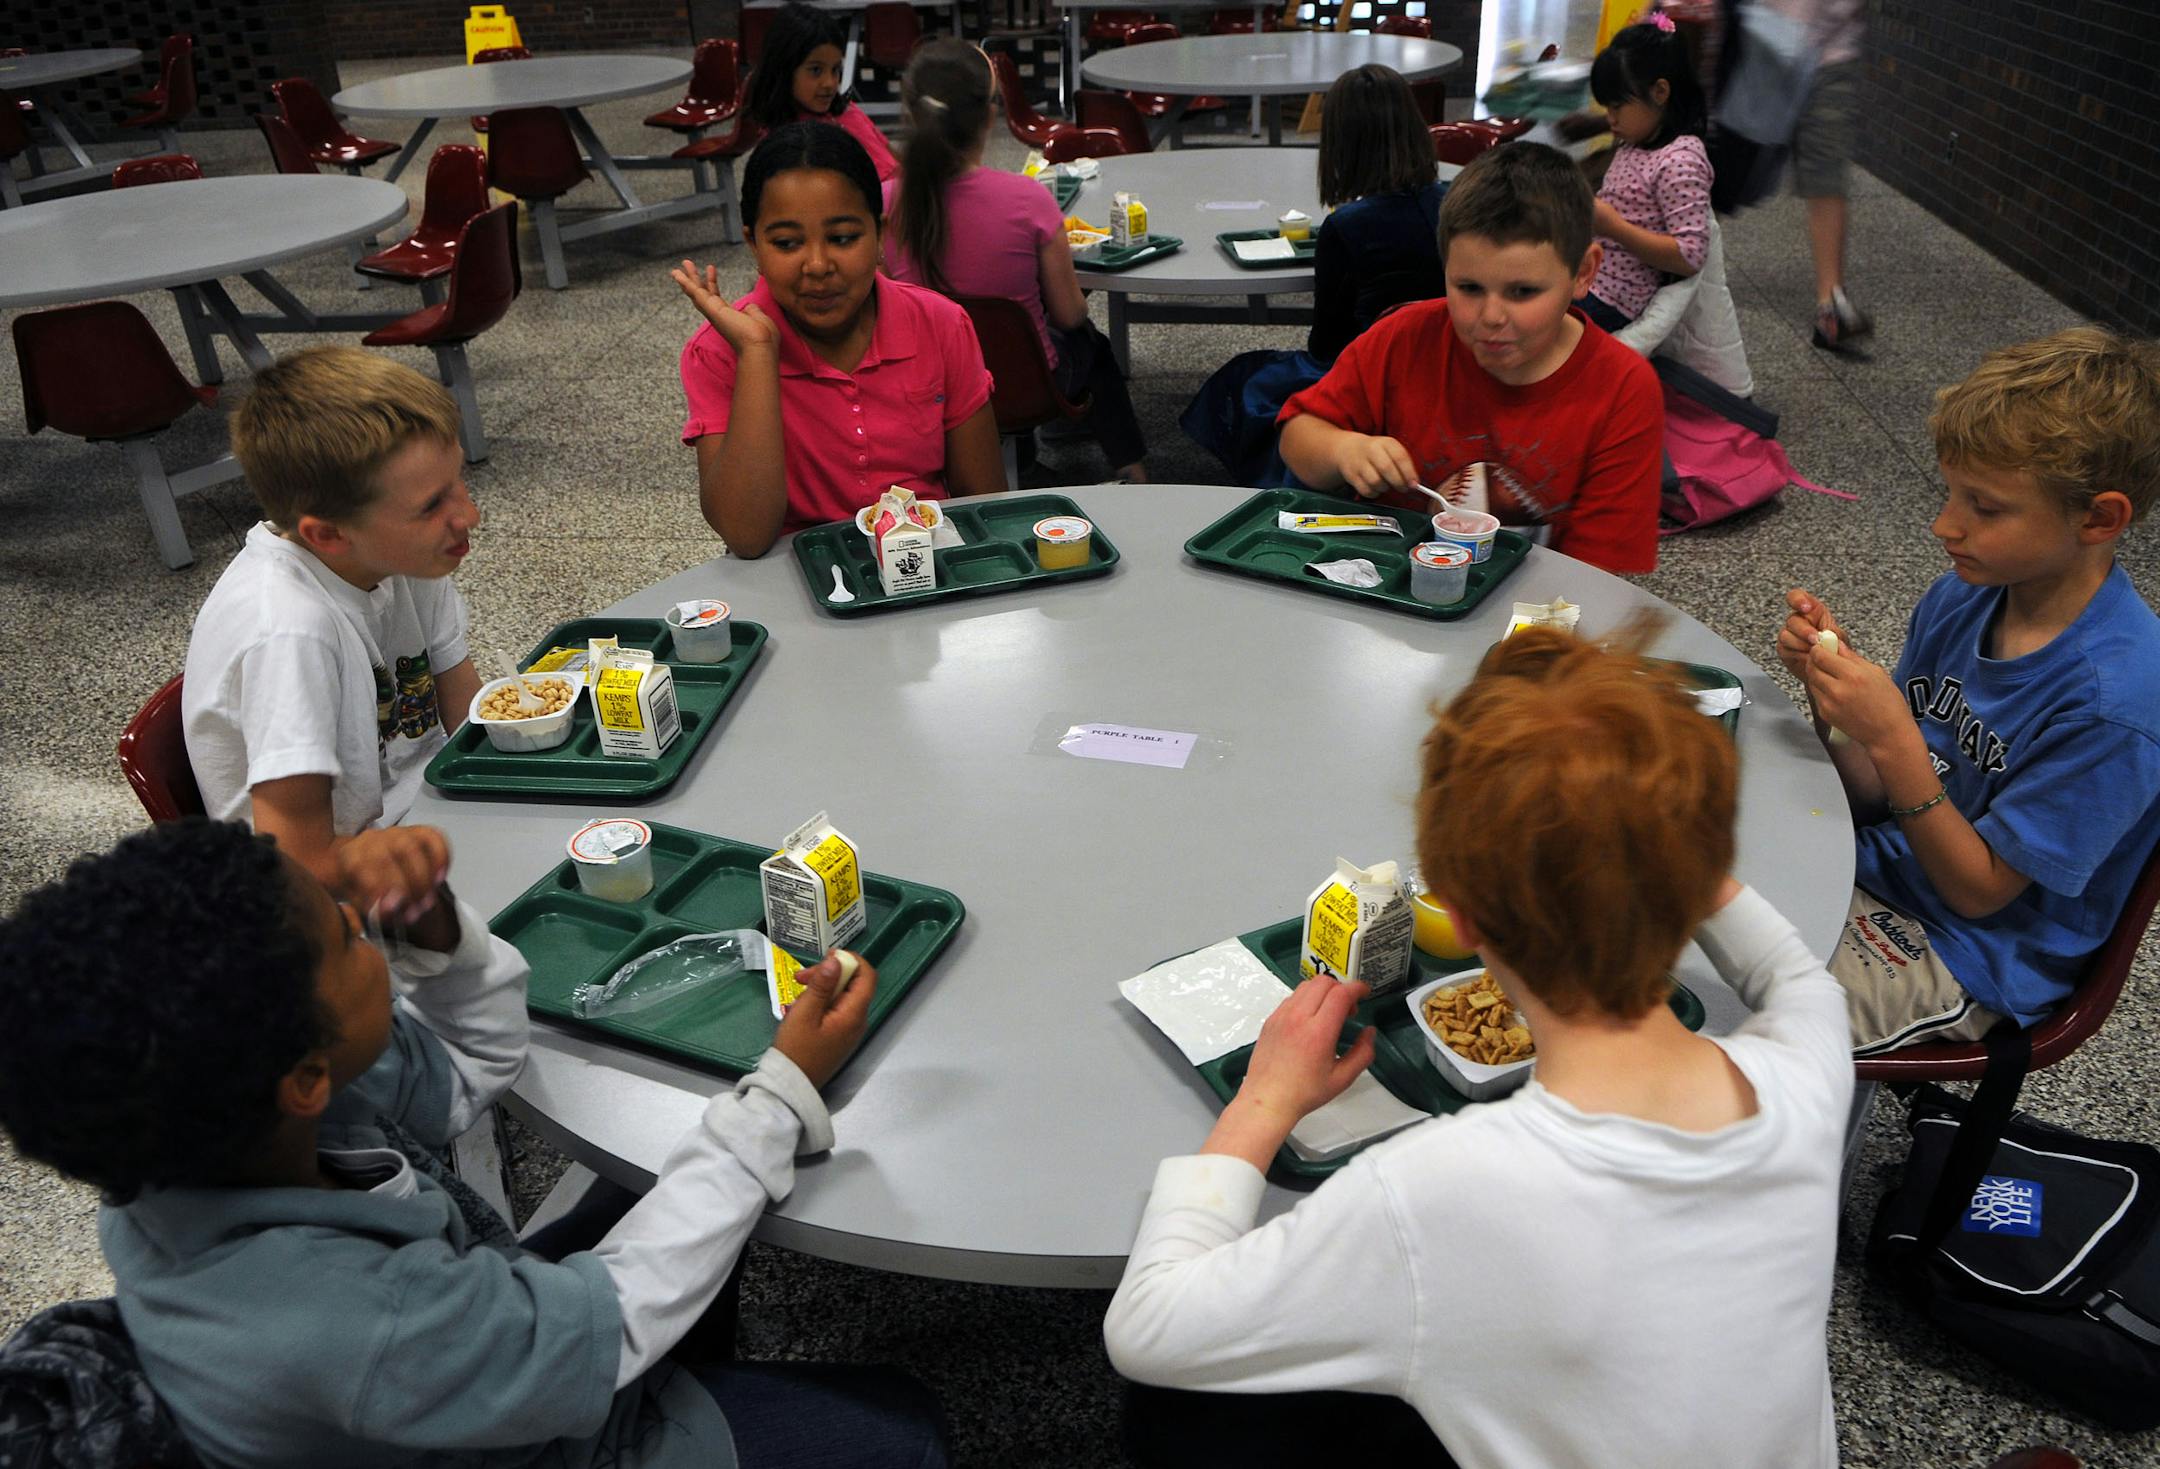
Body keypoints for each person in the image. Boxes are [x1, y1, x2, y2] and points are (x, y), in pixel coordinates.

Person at [1103, 624, 1852, 1469]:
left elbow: (1149, 1329)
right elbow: (1794, 974)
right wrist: (1650, 832)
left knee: (1173, 1415)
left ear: (1455, 913)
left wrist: (1265, 1098)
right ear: (1709, 863)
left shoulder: (1437, 1191)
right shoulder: (1813, 1067)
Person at [0, 818, 951, 1469]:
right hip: (530, 1438)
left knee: (665, 1194)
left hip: (458, 1349)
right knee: (903, 1429)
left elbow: (470, 1065)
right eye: (346, 937)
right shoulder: (340, 1320)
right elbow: (611, 1320)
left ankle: (694, 1367)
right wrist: (782, 1089)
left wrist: (437, 933)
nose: (361, 921)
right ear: (302, 1075)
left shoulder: (242, 1112)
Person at [1777, 328, 2160, 1054]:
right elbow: (1874, 790)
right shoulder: (1964, 596)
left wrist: (1889, 734)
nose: (1944, 524)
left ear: (2100, 518)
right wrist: (1838, 704)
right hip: (1884, 866)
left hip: (1970, 950)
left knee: (1734, 1020)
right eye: (1951, 492)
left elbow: (1980, 891)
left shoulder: (2119, 702)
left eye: (1984, 507)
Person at [182, 345, 480, 922]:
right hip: (338, 902)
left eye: (459, 481)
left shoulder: (407, 554)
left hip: (426, 819)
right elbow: (296, 861)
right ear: (327, 536)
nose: (466, 514)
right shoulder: (289, 633)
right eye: (432, 504)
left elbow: (464, 711)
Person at [1278, 143, 1663, 574]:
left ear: (1585, 273)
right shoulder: (1401, 339)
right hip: (1382, 586)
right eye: (1469, 288)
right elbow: (1299, 439)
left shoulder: (1623, 388)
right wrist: (1340, 448)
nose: (1491, 317)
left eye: (1523, 292)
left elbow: (1599, 577)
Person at [674, 123, 1002, 558]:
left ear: (880, 233)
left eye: (843, 238)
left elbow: (986, 505)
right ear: (754, 243)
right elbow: (746, 536)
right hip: (790, 579)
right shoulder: (718, 352)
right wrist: (756, 354)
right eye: (787, 243)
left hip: (926, 570)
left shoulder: (941, 325)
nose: (817, 265)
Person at [882, 38, 1149, 483]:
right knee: (1091, 346)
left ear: (912, 114)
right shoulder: (1027, 198)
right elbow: (1068, 314)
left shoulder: (887, 205)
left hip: (930, 390)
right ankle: (1135, 474)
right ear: (990, 117)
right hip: (1026, 388)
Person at [1180, 64, 1448, 485]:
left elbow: (1327, 343)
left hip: (1371, 375)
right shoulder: (1453, 205)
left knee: (1245, 375)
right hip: (1445, 365)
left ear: (1341, 141)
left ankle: (1265, 481)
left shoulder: (1348, 226)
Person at [1578, 16, 1714, 334]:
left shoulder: (1680, 161)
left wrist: (1614, 227)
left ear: (1660, 91)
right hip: (1592, 274)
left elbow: (1689, 255)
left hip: (1614, 299)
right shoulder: (1640, 140)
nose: (1610, 119)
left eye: (1617, 108)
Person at [744, 1, 899, 183]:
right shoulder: (788, 144)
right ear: (784, 70)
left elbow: (893, 156)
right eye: (816, 70)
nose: (830, 83)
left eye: (835, 70)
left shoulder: (847, 110)